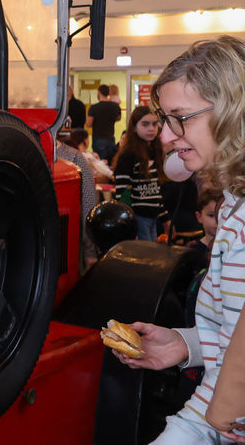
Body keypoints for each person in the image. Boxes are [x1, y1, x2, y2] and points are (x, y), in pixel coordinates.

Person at [114, 36, 245, 444]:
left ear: (231, 112)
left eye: (180, 118)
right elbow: (234, 345)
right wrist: (185, 344)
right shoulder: (233, 207)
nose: (167, 138)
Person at [113, 106, 171, 241]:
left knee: (152, 250)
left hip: (153, 217)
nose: (151, 128)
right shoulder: (128, 155)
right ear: (134, 128)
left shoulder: (155, 152)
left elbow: (156, 191)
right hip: (138, 217)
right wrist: (129, 224)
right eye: (145, 124)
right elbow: (123, 193)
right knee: (146, 252)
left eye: (154, 124)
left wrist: (165, 218)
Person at [57, 132, 98, 269]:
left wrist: (90, 251)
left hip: (66, 247)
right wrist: (90, 252)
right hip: (65, 247)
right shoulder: (73, 156)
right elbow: (89, 205)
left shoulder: (74, 157)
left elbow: (88, 205)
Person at [86, 84, 121, 164]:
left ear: (99, 93)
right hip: (111, 138)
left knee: (100, 163)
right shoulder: (115, 106)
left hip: (98, 139)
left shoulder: (94, 107)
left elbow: (88, 124)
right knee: (110, 162)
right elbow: (119, 118)